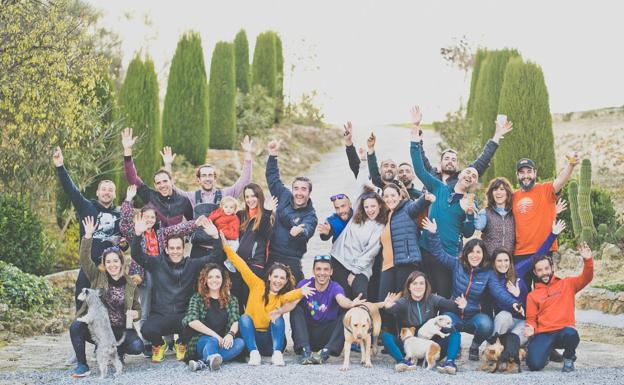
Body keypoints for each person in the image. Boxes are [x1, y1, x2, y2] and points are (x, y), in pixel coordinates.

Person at [119, 184, 206, 356]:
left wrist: (195, 224)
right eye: (146, 216)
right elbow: (124, 222)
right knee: (145, 307)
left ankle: (167, 341)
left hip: (160, 272)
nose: (150, 220)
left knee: (161, 306)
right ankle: (147, 344)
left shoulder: (160, 233)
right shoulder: (134, 231)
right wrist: (128, 201)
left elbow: (178, 229)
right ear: (141, 217)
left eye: (152, 217)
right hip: (142, 274)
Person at [422, 217, 524, 362]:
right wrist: (433, 234)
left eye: (478, 252)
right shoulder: (457, 264)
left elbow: (498, 291)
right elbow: (439, 254)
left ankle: (474, 347)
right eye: (471, 251)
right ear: (466, 253)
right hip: (455, 313)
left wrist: (513, 302)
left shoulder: (488, 273)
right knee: (443, 322)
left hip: (475, 315)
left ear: (483, 255)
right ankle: (454, 346)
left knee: (487, 325)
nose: (475, 255)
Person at [131, 213, 224, 363]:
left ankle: (181, 343)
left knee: (198, 324)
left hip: (183, 315)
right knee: (146, 329)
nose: (175, 251)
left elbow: (215, 257)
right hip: (161, 314)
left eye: (178, 248)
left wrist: (215, 237)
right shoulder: (156, 263)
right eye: (172, 248)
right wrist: (137, 234)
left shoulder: (192, 264)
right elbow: (136, 254)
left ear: (183, 249)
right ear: (166, 250)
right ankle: (159, 345)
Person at [221, 233, 315, 366]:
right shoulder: (256, 284)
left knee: (278, 317)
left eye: (282, 278)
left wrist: (301, 291)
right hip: (253, 340)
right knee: (244, 318)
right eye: (275, 276)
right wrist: (226, 248)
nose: (278, 281)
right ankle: (254, 354)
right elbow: (241, 266)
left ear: (286, 281)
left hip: (271, 341)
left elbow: (292, 295)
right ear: (269, 277)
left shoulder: (281, 297)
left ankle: (277, 354)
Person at [410, 117, 479, 298]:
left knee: (443, 295)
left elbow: (468, 232)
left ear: (474, 182)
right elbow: (419, 169)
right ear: (460, 173)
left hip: (448, 254)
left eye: (473, 176)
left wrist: (469, 215)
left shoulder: (470, 200)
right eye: (468, 172)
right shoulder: (438, 187)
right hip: (426, 250)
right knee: (423, 294)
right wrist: (415, 131)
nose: (470, 176)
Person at [69, 217, 142, 378]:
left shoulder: (130, 283)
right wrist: (88, 236)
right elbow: (84, 260)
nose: (112, 265)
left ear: (121, 262)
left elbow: (137, 309)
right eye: (108, 262)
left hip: (120, 329)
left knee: (137, 346)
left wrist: (136, 314)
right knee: (75, 326)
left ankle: (118, 352)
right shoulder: (97, 277)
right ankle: (82, 364)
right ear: (104, 264)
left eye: (115, 261)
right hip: (99, 328)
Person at [53, 147, 121, 311]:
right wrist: (60, 166)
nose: (107, 192)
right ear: (97, 192)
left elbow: (124, 241)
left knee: (110, 309)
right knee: (82, 306)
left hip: (110, 268)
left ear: (114, 194)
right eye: (103, 189)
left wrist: (123, 245)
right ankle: (80, 332)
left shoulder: (119, 215)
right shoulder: (86, 206)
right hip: (88, 266)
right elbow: (71, 190)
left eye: (110, 190)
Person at [160, 137, 253, 257]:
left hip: (220, 249)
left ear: (215, 178)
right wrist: (168, 165)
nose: (207, 178)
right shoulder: (192, 197)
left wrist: (248, 155)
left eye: (210, 175)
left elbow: (245, 181)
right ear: (198, 179)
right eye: (204, 175)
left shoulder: (226, 195)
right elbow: (171, 190)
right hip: (198, 250)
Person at [491, 220, 565, 347]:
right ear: (494, 262)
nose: (503, 264)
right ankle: (495, 345)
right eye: (499, 261)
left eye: (506, 260)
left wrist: (553, 234)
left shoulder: (518, 270)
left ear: (510, 261)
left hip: (522, 320)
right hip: (506, 320)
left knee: (514, 342)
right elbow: (500, 302)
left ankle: (511, 345)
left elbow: (536, 257)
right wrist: (513, 297)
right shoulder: (492, 279)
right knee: (503, 316)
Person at [524, 242, 594, 373]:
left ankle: (568, 357)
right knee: (533, 365)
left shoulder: (567, 284)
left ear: (552, 268)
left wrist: (588, 260)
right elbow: (531, 318)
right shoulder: (532, 296)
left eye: (546, 268)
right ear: (535, 272)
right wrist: (531, 327)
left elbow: (586, 278)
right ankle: (546, 351)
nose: (544, 273)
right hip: (544, 333)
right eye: (540, 270)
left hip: (563, 332)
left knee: (572, 333)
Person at [329, 150, 388, 300]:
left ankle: (363, 322)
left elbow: (371, 251)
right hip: (340, 259)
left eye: (373, 206)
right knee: (340, 296)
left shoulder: (380, 225)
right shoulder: (357, 214)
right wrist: (363, 162)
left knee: (360, 295)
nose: (370, 210)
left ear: (380, 206)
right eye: (367, 207)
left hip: (361, 268)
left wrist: (354, 272)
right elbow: (361, 183)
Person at [513, 154, 580, 285]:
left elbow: (560, 180)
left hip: (543, 251)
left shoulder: (545, 190)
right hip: (520, 253)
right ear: (517, 175)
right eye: (521, 173)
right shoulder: (513, 196)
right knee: (523, 294)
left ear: (535, 172)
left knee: (545, 293)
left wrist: (571, 166)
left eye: (529, 172)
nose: (525, 176)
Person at [381, 271, 463, 374]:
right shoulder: (404, 301)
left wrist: (460, 305)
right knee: (385, 336)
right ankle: (402, 361)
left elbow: (448, 304)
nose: (418, 286)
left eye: (421, 283)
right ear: (409, 287)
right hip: (408, 350)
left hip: (430, 349)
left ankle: (449, 363)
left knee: (455, 335)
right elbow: (393, 308)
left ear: (426, 286)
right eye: (414, 283)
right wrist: (388, 306)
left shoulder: (432, 298)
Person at [290, 255, 366, 365]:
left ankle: (325, 353)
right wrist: (280, 309)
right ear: (313, 271)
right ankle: (305, 351)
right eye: (318, 269)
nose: (322, 273)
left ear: (331, 272)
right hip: (307, 334)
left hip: (327, 336)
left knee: (346, 314)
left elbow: (341, 300)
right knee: (296, 309)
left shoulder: (335, 287)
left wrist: (351, 304)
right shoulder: (304, 284)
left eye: (326, 269)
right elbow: (291, 304)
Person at [412, 106, 514, 187]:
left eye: (453, 159)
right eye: (447, 158)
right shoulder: (431, 174)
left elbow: (484, 159)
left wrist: (497, 136)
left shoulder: (462, 177)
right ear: (440, 162)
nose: (450, 161)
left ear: (457, 164)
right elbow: (420, 157)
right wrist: (416, 127)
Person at [379, 184, 434, 333]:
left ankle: (405, 336)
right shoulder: (386, 215)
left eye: (393, 195)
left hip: (407, 262)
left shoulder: (407, 208)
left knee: (403, 301)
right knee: (386, 300)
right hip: (389, 265)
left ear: (400, 195)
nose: (390, 199)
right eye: (386, 196)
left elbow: (417, 207)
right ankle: (392, 334)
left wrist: (425, 199)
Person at [265, 139, 318, 283]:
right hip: (272, 255)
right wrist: (273, 155)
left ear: (309, 192)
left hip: (292, 259)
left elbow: (308, 229)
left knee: (298, 294)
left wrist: (300, 232)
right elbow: (273, 179)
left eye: (303, 189)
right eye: (296, 188)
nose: (299, 193)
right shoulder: (284, 195)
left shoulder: (310, 215)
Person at [121, 128, 193, 227]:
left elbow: (192, 222)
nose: (162, 185)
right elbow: (132, 179)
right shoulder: (150, 196)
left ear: (171, 181)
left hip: (175, 241)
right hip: (154, 240)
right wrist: (127, 150)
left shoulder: (183, 201)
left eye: (165, 181)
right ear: (155, 185)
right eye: (158, 183)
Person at [182, 264, 245, 372]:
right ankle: (210, 358)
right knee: (212, 341)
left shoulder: (231, 299)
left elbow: (235, 320)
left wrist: (230, 335)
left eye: (217, 277)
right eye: (210, 277)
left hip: (223, 342)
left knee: (240, 343)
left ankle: (203, 362)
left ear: (223, 279)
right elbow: (191, 320)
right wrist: (215, 336)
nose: (214, 280)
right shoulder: (197, 298)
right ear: (205, 280)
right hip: (202, 341)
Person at [232, 183, 276, 311]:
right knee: (237, 302)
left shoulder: (269, 215)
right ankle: (238, 330)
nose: (250, 200)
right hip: (238, 265)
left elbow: (265, 232)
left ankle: (255, 330)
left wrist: (267, 212)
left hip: (255, 266)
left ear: (259, 197)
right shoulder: (241, 215)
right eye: (247, 197)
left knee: (251, 302)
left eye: (253, 196)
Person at [475, 177, 516, 257]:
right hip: (489, 259)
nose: (498, 193)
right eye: (495, 189)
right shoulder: (485, 212)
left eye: (502, 189)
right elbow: (478, 226)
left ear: (507, 192)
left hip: (508, 260)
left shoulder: (513, 212)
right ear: (491, 193)